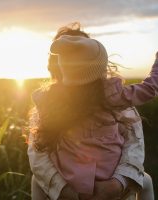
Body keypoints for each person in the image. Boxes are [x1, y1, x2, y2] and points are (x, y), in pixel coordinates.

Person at [28, 23, 155, 200]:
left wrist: (116, 183)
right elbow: (149, 88)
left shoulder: (49, 101)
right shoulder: (115, 97)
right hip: (102, 182)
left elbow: (133, 143)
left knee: (37, 181)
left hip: (78, 183)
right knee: (146, 180)